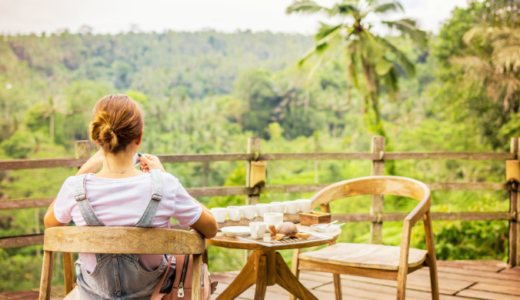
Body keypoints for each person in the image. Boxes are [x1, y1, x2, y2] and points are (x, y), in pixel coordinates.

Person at [44, 94, 218, 300]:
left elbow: (50, 224)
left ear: (96, 137)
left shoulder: (73, 188)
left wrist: (86, 168)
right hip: (154, 295)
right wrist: (163, 176)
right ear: (139, 137)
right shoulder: (165, 185)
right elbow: (211, 228)